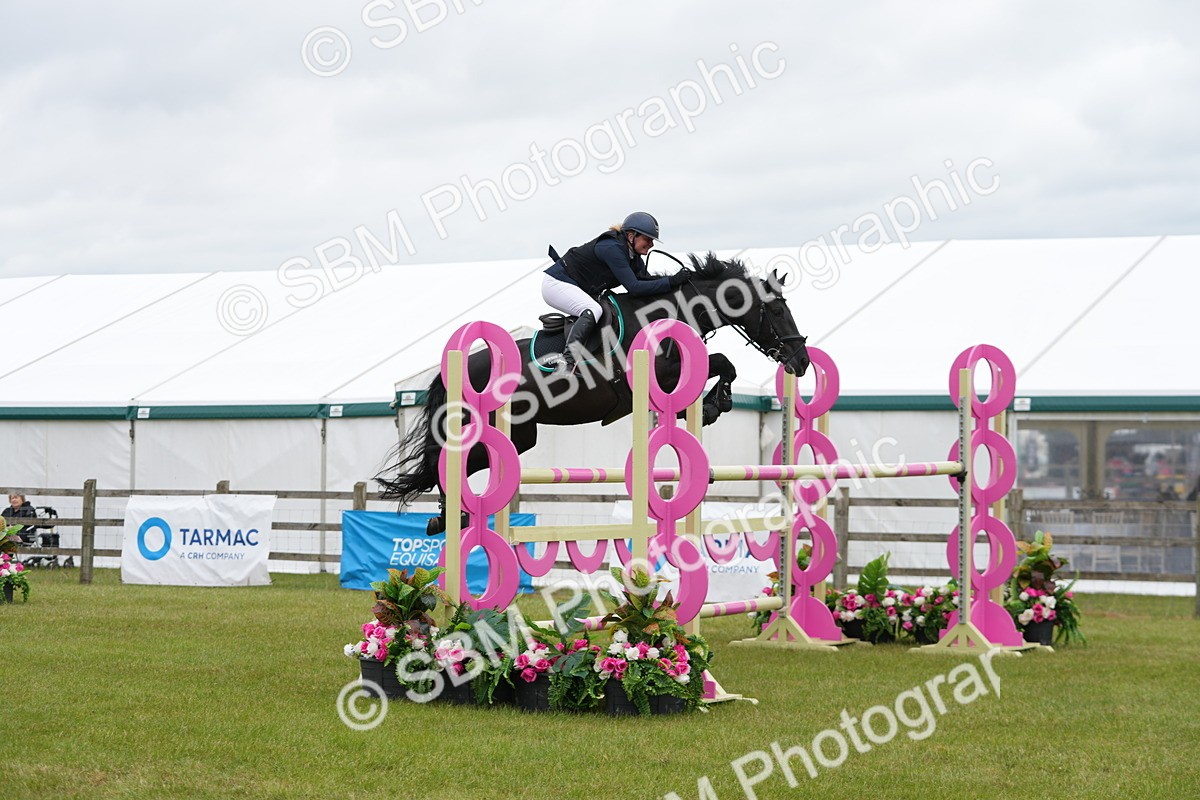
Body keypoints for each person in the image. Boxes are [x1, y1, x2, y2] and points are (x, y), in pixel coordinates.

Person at [542, 211, 691, 373]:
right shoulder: (612, 249)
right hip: (556, 283)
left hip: (575, 286)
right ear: (631, 235)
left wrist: (674, 282)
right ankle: (567, 362)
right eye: (647, 239)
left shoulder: (633, 258)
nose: (651, 245)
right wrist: (671, 281)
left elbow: (647, 282)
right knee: (593, 310)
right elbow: (634, 288)